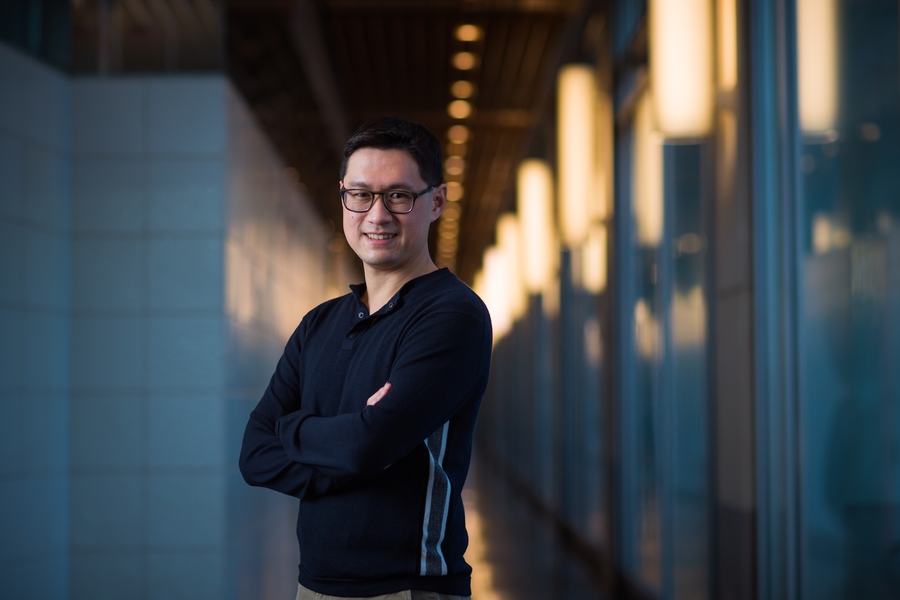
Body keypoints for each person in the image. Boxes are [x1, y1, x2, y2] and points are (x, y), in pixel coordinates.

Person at [239, 116, 492, 600]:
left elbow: (365, 446)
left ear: (435, 201)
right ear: (343, 198)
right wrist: (354, 444)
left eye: (399, 196)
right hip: (312, 586)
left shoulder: (452, 316)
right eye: (361, 195)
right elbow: (254, 454)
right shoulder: (320, 323)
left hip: (408, 588)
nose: (377, 215)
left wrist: (294, 429)